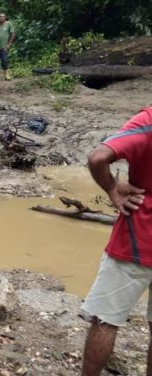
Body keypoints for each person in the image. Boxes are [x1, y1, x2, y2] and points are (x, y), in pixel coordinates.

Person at [80, 106, 151, 376]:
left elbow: (98, 157)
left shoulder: (148, 120)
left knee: (106, 320)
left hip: (138, 236)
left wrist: (111, 188)